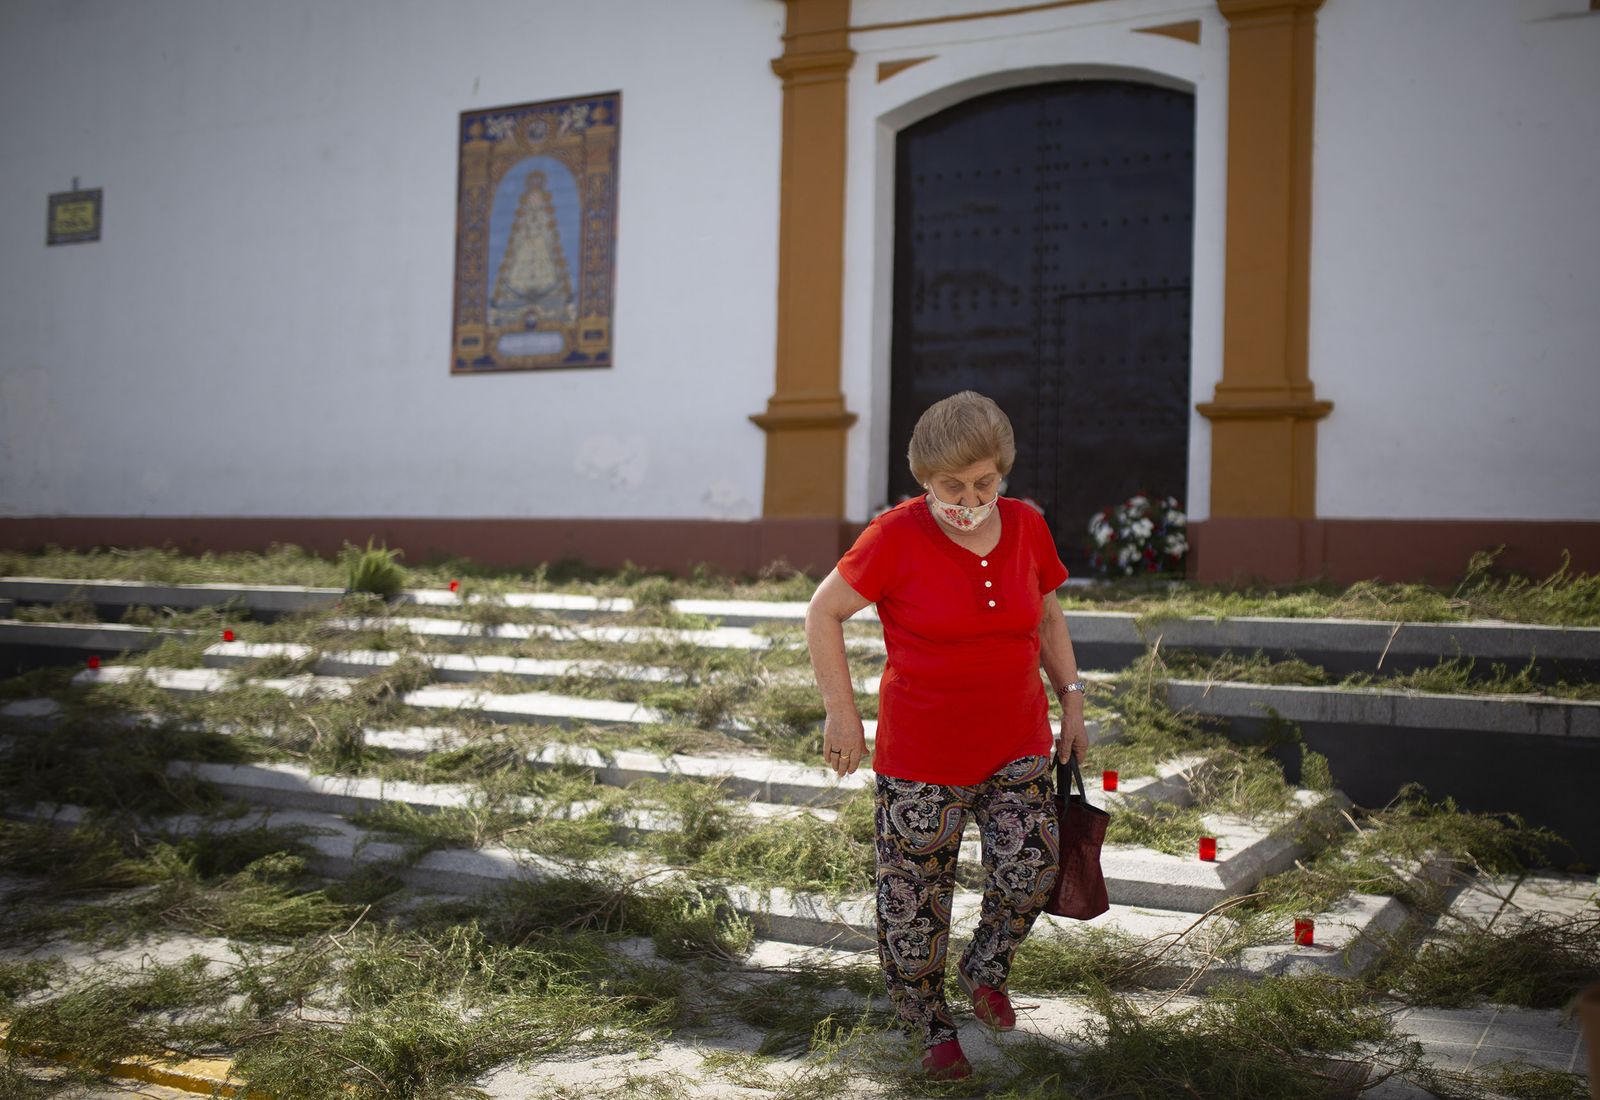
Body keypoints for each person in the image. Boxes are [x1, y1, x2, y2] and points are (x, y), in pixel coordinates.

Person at [804, 390, 1090, 1081]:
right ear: (923, 481)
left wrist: (1072, 702)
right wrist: (842, 713)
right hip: (922, 757)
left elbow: (1048, 618)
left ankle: (984, 966)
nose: (970, 498)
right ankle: (928, 1024)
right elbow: (823, 611)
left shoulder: (1025, 526)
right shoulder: (895, 535)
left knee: (1034, 869)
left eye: (985, 482)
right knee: (914, 905)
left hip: (1017, 740)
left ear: (1004, 472)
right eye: (950, 486)